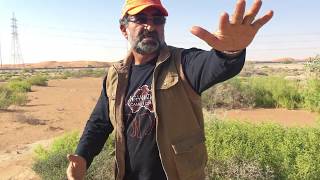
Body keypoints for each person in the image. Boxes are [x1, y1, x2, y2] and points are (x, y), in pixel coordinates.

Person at [67, 0, 273, 179]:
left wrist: (231, 51)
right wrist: (83, 155)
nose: (150, 25)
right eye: (140, 19)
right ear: (123, 29)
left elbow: (214, 65)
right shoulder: (115, 75)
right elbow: (100, 122)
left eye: (158, 19)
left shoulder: (183, 62)